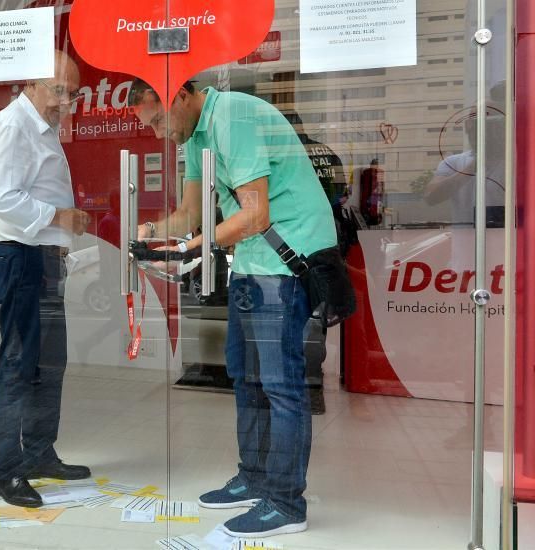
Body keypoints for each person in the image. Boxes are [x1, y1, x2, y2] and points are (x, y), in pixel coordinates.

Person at [129, 80, 336, 538]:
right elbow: (188, 215)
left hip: (285, 259)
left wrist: (188, 248)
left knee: (280, 386)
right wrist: (151, 233)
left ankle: (284, 504)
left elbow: (255, 215)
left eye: (161, 120)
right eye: (151, 127)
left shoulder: (233, 117)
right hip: (251, 259)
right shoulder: (195, 134)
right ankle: (255, 478)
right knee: (245, 377)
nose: (162, 133)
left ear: (180, 96)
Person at [0, 50, 91, 508]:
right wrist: (60, 216)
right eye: (59, 90)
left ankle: (40, 454)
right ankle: (6, 470)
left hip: (44, 259)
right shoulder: (12, 125)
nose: (65, 102)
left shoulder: (43, 127)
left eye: (72, 93)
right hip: (21, 259)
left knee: (50, 365)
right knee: (19, 367)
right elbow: (4, 200)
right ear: (31, 83)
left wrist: (58, 235)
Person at [282, 110, 349, 415]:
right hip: (322, 243)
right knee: (315, 318)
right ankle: (311, 388)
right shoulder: (325, 154)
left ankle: (302, 387)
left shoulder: (283, 157)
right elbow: (340, 197)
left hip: (293, 245)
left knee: (295, 317)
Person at [359, 158, 385, 226]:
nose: (374, 166)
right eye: (374, 164)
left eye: (375, 164)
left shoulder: (378, 173)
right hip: (369, 202)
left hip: (373, 203)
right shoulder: (367, 172)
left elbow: (381, 188)